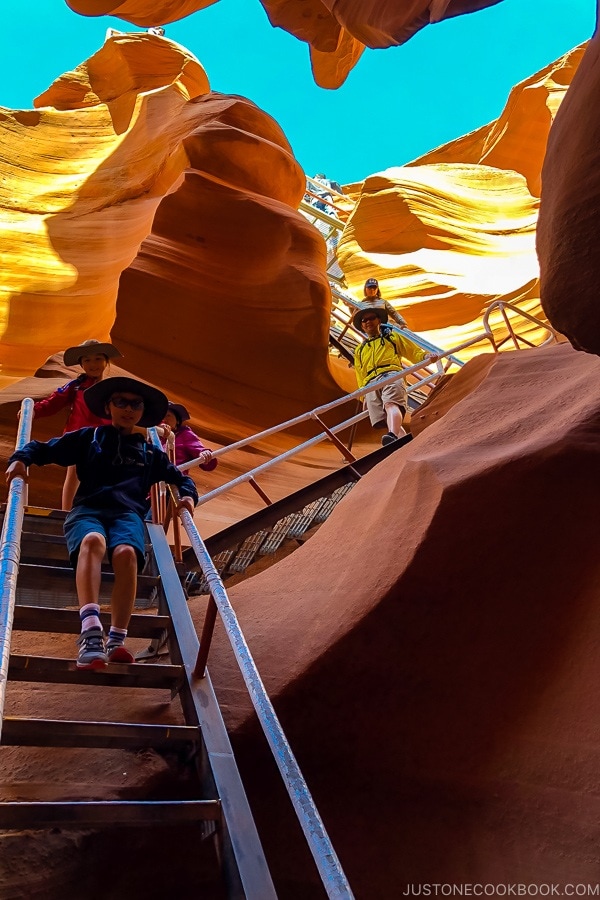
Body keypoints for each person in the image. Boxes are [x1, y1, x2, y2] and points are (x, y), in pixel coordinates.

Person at [6, 376, 198, 670]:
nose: (128, 409)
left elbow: (181, 479)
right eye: (120, 402)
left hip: (127, 515)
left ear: (143, 412)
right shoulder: (89, 438)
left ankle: (117, 639)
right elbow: (44, 449)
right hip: (88, 510)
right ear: (108, 407)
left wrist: (187, 497)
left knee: (126, 555)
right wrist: (20, 459)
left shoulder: (150, 453)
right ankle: (91, 632)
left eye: (135, 404)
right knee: (93, 541)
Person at [32, 339, 122, 511]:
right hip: (77, 437)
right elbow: (54, 402)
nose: (92, 364)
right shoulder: (76, 386)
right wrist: (33, 410)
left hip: (104, 438)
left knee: (104, 476)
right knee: (73, 475)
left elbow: (132, 408)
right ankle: (66, 514)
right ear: (81, 364)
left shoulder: (113, 389)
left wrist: (159, 424)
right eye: (87, 360)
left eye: (97, 359)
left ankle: (99, 515)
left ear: (106, 361)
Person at [353, 304, 438, 446]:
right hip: (371, 383)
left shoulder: (392, 337)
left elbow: (412, 351)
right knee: (384, 416)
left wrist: (425, 356)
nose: (368, 322)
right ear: (362, 326)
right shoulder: (360, 349)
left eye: (371, 318)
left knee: (391, 404)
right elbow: (360, 373)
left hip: (390, 375)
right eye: (364, 320)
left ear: (379, 320)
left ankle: (392, 436)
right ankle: (403, 443)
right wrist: (363, 395)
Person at [159, 402, 217, 472]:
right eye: (160, 417)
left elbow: (197, 448)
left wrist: (204, 453)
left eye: (168, 415)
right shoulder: (153, 437)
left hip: (174, 479)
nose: (164, 420)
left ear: (177, 421)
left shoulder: (184, 434)